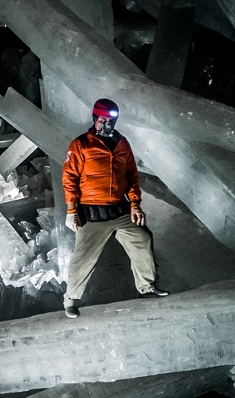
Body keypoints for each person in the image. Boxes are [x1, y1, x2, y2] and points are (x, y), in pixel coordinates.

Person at [61, 98, 169, 319]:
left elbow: (131, 176)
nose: (107, 125)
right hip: (91, 214)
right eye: (103, 120)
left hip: (119, 211)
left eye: (111, 121)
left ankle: (147, 288)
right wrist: (72, 210)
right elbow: (69, 178)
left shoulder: (122, 144)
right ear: (94, 119)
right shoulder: (81, 144)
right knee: (83, 258)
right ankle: (71, 300)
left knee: (142, 238)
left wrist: (135, 204)